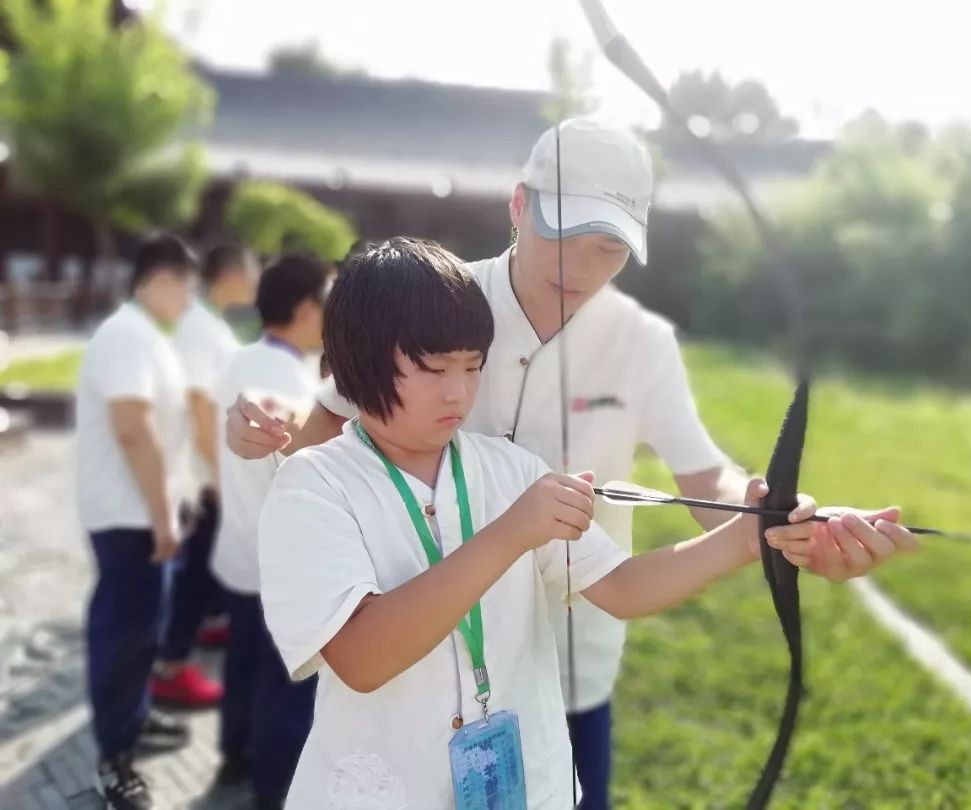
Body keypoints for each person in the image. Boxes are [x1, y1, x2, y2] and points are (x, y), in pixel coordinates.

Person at [256, 237, 916, 808]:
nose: (459, 392)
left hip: (528, 788)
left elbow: (622, 587)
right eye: (433, 370)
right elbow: (363, 657)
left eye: (472, 366)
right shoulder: (314, 485)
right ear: (361, 363)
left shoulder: (510, 470)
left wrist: (746, 536)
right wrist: (510, 535)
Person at [225, 117, 754, 807]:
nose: (582, 267)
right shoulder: (436, 302)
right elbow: (327, 418)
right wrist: (268, 427)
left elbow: (655, 541)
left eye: (608, 248)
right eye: (563, 233)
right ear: (518, 204)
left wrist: (755, 526)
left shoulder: (610, 373)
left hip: (550, 692)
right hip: (395, 736)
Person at [75, 233, 199, 810]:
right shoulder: (127, 336)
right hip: (132, 517)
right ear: (163, 278)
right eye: (186, 287)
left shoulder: (145, 336)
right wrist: (161, 518)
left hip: (145, 513)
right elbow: (133, 427)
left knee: (144, 631)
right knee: (124, 637)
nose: (188, 300)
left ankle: (134, 720)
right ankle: (114, 760)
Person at [212, 253, 334, 810]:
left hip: (237, 540)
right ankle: (274, 789)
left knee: (244, 663)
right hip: (279, 559)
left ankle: (235, 755)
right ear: (307, 308)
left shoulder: (242, 359)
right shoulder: (291, 379)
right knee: (286, 684)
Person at [151, 243, 260, 707]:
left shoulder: (211, 324)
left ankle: (205, 627)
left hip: (213, 470)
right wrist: (216, 475)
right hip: (204, 476)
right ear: (232, 273)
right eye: (252, 269)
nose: (256, 280)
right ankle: (170, 666)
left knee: (207, 560)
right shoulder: (199, 329)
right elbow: (197, 406)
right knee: (197, 566)